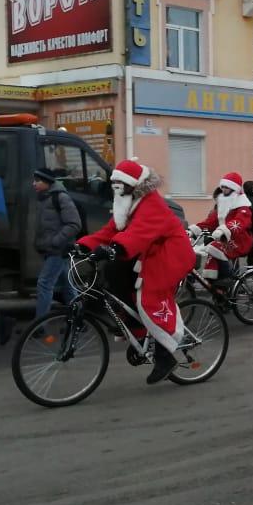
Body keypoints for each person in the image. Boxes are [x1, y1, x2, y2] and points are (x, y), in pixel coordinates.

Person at [77, 159, 196, 384]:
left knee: (149, 297)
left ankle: (165, 353)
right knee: (115, 277)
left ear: (132, 184)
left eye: (120, 183)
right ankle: (139, 333)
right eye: (115, 183)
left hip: (169, 254)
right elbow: (110, 230)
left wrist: (114, 247)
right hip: (146, 251)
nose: (117, 187)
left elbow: (139, 233)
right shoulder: (126, 201)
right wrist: (83, 245)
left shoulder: (151, 203)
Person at [32, 167, 82, 319]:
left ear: (47, 182)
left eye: (37, 181)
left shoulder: (60, 197)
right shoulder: (45, 197)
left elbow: (74, 223)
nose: (33, 184)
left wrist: (56, 241)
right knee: (68, 286)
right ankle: (79, 317)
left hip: (58, 250)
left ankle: (39, 324)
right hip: (52, 249)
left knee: (44, 284)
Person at [188, 172, 253, 281]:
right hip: (224, 238)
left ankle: (227, 279)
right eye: (222, 187)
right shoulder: (222, 203)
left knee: (214, 247)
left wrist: (224, 229)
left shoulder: (242, 205)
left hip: (240, 240)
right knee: (212, 254)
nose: (223, 190)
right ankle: (214, 283)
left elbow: (240, 222)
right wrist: (194, 230)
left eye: (226, 187)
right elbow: (211, 221)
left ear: (234, 188)